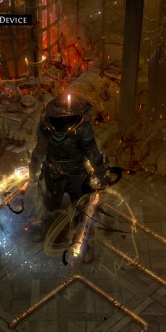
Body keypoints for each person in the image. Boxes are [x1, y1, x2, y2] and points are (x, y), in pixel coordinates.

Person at [29, 93, 109, 251]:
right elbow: (39, 150)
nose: (64, 120)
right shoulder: (46, 125)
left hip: (77, 173)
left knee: (84, 211)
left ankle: (85, 244)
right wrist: (33, 171)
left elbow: (92, 152)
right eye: (61, 118)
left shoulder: (82, 126)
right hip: (52, 172)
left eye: (67, 117)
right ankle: (47, 234)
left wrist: (101, 175)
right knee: (49, 207)